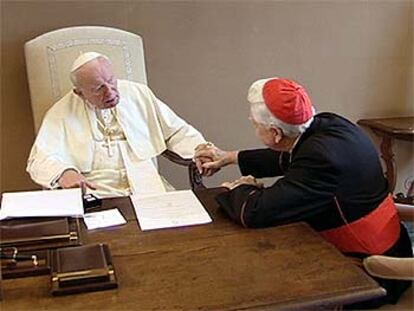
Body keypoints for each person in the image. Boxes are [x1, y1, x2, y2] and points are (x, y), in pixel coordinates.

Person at [194, 78, 413, 308]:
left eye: (255, 124)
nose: (252, 123)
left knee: (260, 280)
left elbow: (254, 212)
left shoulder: (321, 160)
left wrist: (239, 187)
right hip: (396, 245)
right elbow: (293, 157)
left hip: (373, 273)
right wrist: (230, 157)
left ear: (276, 133)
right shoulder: (330, 124)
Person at [27, 52, 205, 197]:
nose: (110, 92)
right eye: (98, 88)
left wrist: (200, 149)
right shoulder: (61, 112)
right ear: (79, 93)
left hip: (147, 184)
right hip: (97, 192)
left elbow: (176, 131)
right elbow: (40, 158)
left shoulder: (138, 94)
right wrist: (64, 173)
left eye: (111, 81)